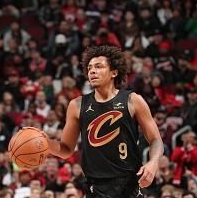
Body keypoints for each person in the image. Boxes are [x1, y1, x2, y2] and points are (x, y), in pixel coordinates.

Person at [47, 45, 164, 198]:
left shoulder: (133, 100)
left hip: (128, 185)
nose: (92, 71)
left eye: (98, 66)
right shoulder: (76, 105)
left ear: (114, 72)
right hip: (95, 187)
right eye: (89, 68)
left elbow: (156, 140)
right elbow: (66, 149)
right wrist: (45, 143)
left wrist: (153, 163)